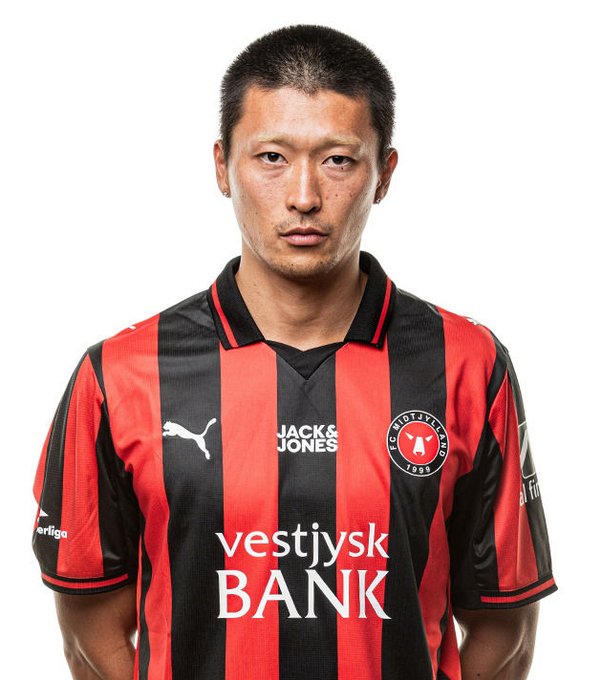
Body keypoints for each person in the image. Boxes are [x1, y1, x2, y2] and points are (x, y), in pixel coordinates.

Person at [31, 24, 556, 680]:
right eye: (272, 157)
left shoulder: (467, 365)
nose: (304, 196)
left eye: (338, 160)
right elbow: (90, 634)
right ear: (222, 167)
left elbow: (505, 632)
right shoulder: (119, 375)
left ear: (384, 173)